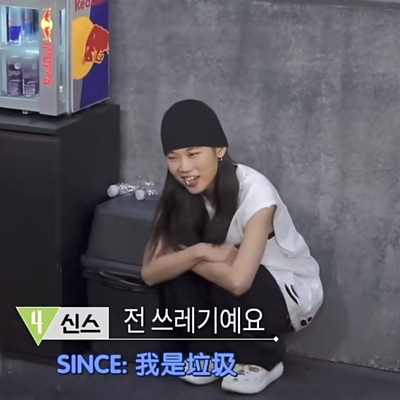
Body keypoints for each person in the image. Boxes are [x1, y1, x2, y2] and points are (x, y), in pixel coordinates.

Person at [141, 99, 323, 395]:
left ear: (219, 150)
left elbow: (239, 281)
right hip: (227, 282)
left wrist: (185, 255)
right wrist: (198, 252)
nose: (184, 167)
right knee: (178, 270)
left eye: (193, 154)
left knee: (206, 267)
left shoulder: (256, 191)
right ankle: (211, 354)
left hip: (285, 291)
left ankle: (262, 360)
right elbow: (150, 272)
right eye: (173, 157)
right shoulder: (178, 192)